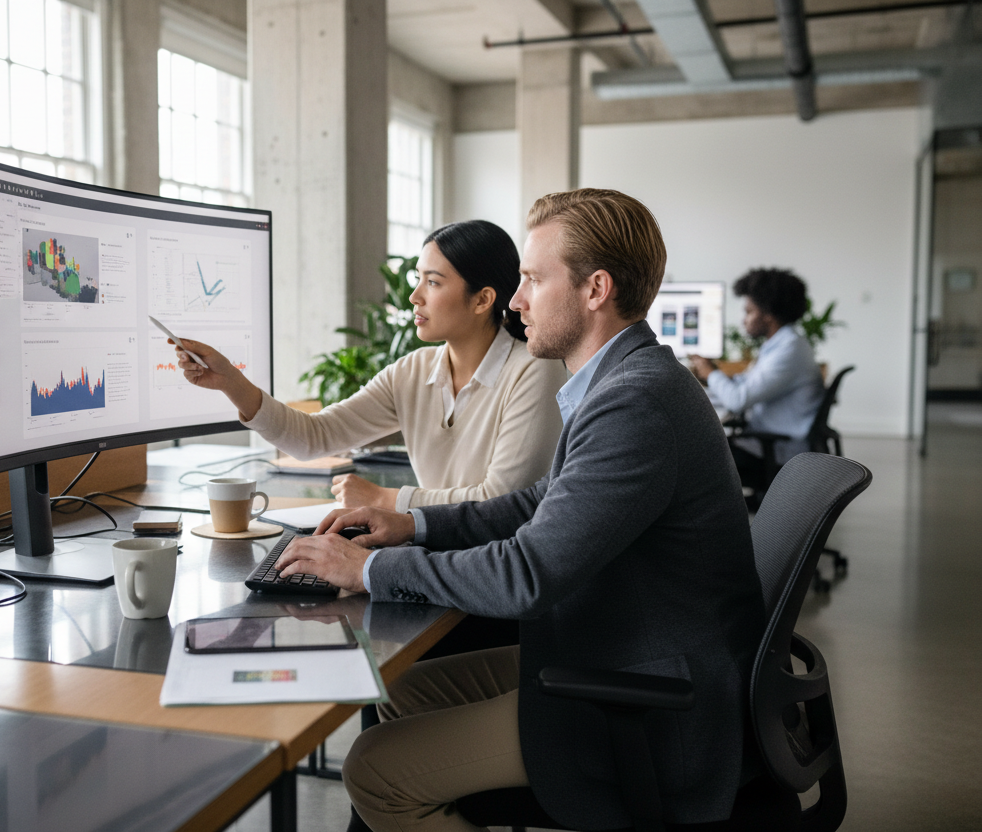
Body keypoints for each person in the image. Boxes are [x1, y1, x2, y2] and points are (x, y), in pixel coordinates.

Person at [273, 189, 766, 832]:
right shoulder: (623, 381)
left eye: (532, 279)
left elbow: (527, 574)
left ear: (595, 289)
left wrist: (368, 570)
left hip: (650, 702)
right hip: (617, 647)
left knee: (373, 768)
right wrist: (411, 523)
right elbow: (536, 502)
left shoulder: (635, 403)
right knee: (399, 692)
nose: (515, 299)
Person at [174, 219, 569, 513]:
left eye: (432, 282)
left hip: (495, 574)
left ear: (483, 299)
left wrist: (385, 499)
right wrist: (231, 382)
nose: (414, 296)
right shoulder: (412, 372)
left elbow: (500, 501)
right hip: (434, 550)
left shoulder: (535, 369)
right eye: (419, 279)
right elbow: (314, 436)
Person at [688, 268, 825, 488]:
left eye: (749, 312)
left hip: (775, 453)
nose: (744, 320)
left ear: (768, 314)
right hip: (766, 443)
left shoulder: (789, 350)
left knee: (689, 454)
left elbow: (738, 399)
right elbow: (747, 384)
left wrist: (711, 373)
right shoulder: (782, 344)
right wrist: (711, 377)